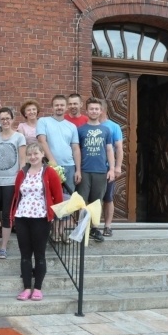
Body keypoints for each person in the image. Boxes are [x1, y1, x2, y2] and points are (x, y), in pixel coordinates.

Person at [11, 143, 64, 301]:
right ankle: (27, 287)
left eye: (36, 154)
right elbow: (16, 194)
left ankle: (38, 288)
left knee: (39, 254)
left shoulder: (50, 172)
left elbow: (58, 196)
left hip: (41, 217)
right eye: (30, 154)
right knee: (25, 255)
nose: (33, 157)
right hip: (22, 217)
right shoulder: (22, 173)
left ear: (42, 154)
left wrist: (54, 216)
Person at [0, 107, 26, 259]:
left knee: (6, 215)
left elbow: (23, 161)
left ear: (12, 119)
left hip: (11, 182)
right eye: (2, 118)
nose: (5, 121)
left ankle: (3, 247)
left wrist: (21, 181)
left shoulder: (19, 137)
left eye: (7, 118)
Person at [77, 98, 115, 242]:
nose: (94, 111)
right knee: (82, 201)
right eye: (91, 109)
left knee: (96, 202)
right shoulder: (80, 130)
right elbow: (77, 151)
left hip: (101, 171)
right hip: (85, 170)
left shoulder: (106, 130)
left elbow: (110, 150)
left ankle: (94, 228)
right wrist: (78, 170)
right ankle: (81, 228)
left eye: (96, 109)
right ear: (86, 111)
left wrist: (111, 169)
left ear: (101, 111)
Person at [37, 94, 81, 194]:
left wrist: (78, 170)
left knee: (68, 199)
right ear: (52, 107)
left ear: (66, 107)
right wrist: (52, 161)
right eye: (56, 105)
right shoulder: (43, 121)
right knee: (50, 195)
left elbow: (75, 148)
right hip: (50, 166)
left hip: (69, 166)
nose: (59, 107)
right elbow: (42, 141)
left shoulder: (72, 126)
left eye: (62, 105)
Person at [100, 101, 123, 237]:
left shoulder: (113, 126)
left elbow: (119, 148)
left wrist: (117, 167)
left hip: (108, 168)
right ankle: (92, 226)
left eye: (98, 108)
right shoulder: (89, 124)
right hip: (91, 168)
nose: (94, 111)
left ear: (104, 109)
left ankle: (108, 226)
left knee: (108, 198)